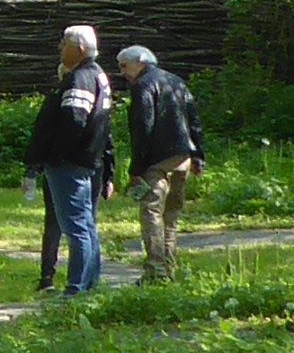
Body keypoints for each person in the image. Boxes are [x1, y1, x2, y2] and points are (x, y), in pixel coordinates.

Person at [22, 25, 116, 298]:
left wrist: (56, 155)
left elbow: (74, 120)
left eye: (64, 43)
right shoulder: (99, 76)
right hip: (87, 160)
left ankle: (76, 289)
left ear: (80, 48)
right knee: (86, 225)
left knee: (76, 228)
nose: (60, 48)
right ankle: (90, 284)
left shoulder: (80, 78)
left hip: (70, 163)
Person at [115, 41, 204, 286]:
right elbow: (193, 119)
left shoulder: (143, 86)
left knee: (151, 211)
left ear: (140, 62)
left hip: (157, 159)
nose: (123, 72)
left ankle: (155, 270)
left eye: (124, 66)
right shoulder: (176, 81)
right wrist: (198, 155)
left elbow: (142, 128)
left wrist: (136, 168)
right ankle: (169, 265)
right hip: (183, 157)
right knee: (171, 215)